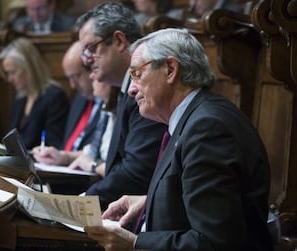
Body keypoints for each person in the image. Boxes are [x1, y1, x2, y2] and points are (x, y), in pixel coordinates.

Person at [84, 28, 273, 251]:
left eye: (137, 74)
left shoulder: (208, 129)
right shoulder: (195, 117)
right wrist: (149, 201)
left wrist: (133, 243)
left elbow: (215, 243)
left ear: (171, 69)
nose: (132, 90)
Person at [76, 2, 167, 210]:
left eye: (91, 48)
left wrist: (82, 202)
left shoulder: (145, 89)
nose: (87, 60)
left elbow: (136, 173)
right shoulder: (124, 88)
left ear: (119, 41)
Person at [32, 41, 103, 164]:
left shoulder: (111, 101)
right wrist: (54, 155)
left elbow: (101, 152)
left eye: (76, 76)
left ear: (92, 69)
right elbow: (68, 146)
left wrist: (64, 157)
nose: (72, 85)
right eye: (69, 78)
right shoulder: (79, 99)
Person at [0, 37, 69, 149]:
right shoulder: (20, 99)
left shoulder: (54, 96)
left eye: (13, 72)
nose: (9, 79)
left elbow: (53, 143)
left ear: (29, 68)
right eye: (7, 73)